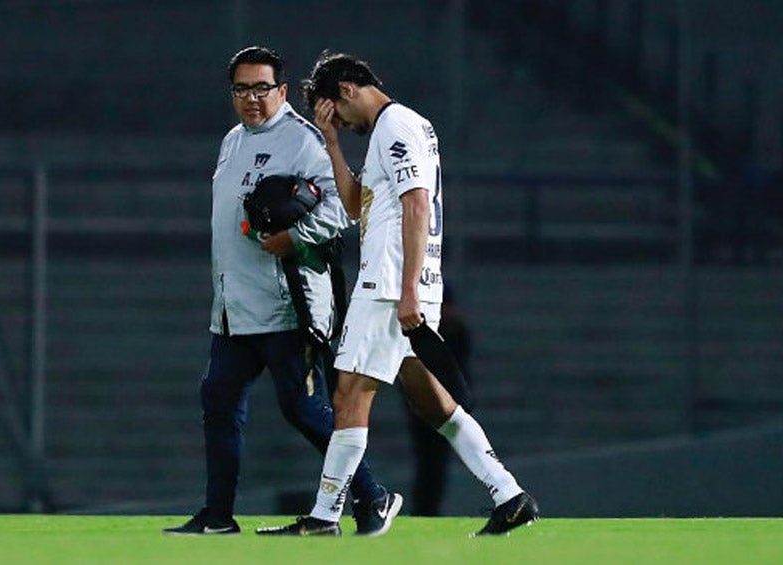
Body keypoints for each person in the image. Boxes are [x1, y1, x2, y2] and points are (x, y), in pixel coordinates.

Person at [257, 51, 538, 537]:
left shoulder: (396, 125)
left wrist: (407, 290)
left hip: (389, 286)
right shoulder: (396, 130)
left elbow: (416, 205)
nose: (340, 121)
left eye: (334, 111)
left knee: (348, 392)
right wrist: (330, 141)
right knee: (433, 404)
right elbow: (352, 206)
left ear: (346, 89)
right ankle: (510, 495)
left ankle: (325, 517)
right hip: (403, 284)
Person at [163, 46, 400, 536]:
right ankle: (218, 515)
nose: (252, 98)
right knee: (219, 400)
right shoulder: (232, 140)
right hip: (232, 307)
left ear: (282, 91)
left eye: (261, 87)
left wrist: (294, 236)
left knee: (302, 406)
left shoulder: (302, 140)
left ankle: (370, 497)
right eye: (242, 88)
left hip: (285, 303)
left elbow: (344, 209)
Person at [403, 285, 472, 516]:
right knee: (428, 464)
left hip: (447, 404)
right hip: (424, 409)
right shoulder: (438, 333)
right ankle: (425, 510)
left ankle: (428, 510)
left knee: (436, 465)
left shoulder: (456, 333)